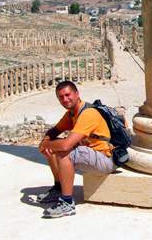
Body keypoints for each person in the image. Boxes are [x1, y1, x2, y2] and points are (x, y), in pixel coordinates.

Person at [37, 80, 116, 218]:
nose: (65, 99)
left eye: (68, 95)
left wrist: (46, 145)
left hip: (105, 159)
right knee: (54, 148)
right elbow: (54, 131)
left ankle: (67, 203)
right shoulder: (72, 113)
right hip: (91, 155)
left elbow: (66, 145)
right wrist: (46, 142)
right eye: (61, 97)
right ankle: (59, 188)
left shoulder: (88, 114)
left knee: (64, 152)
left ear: (77, 94)